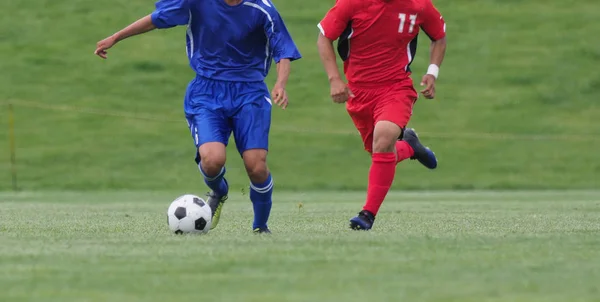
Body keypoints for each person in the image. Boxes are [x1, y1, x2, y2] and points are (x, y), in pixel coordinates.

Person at [95, 0, 302, 234]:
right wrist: (116, 37)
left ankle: (260, 227)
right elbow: (156, 19)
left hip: (250, 92)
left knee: (256, 166)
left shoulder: (262, 9)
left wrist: (280, 84)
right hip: (207, 92)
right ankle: (219, 191)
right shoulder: (196, 3)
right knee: (212, 160)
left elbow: (283, 51)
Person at [316, 0, 447, 230]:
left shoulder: (419, 5)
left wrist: (432, 73)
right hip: (358, 92)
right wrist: (335, 79)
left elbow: (439, 36)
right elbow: (324, 37)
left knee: (384, 138)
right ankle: (410, 146)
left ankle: (367, 215)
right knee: (380, 151)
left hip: (396, 87)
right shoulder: (351, 3)